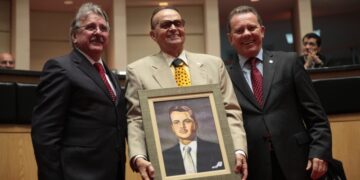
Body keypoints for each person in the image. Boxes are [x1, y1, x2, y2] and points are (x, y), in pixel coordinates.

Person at [125, 6, 248, 180]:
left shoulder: (214, 64)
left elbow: (231, 111)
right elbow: (136, 119)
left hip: (216, 162)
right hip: (167, 166)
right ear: (153, 35)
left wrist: (238, 150)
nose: (173, 28)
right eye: (166, 25)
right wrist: (139, 157)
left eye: (178, 23)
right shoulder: (138, 71)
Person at [226, 5, 332, 180]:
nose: (246, 33)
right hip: (253, 167)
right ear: (231, 38)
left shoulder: (289, 62)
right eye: (239, 30)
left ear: (262, 31)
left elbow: (316, 116)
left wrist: (320, 151)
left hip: (299, 161)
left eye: (251, 28)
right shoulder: (225, 75)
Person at [31, 3, 127, 180]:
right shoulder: (60, 68)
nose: (98, 32)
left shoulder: (110, 75)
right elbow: (45, 134)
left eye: (103, 28)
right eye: (91, 27)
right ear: (75, 36)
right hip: (77, 174)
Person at [163, 105, 224, 176]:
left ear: (195, 124)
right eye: (176, 122)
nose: (182, 126)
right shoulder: (164, 157)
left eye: (187, 121)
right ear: (172, 128)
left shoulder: (217, 150)